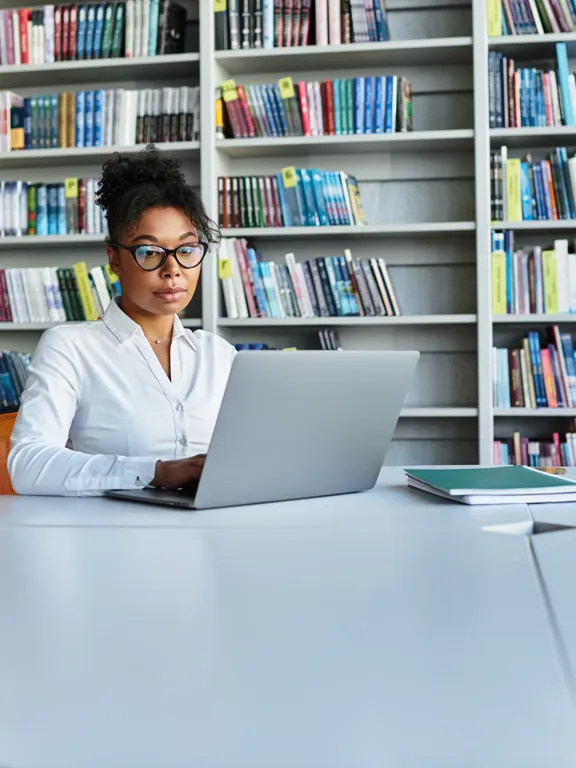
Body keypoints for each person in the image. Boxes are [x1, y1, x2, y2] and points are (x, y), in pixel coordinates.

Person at [8, 147, 236, 496]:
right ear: (114, 258)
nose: (172, 268)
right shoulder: (70, 347)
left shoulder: (218, 354)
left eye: (187, 250)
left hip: (216, 532)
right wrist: (155, 472)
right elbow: (28, 464)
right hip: (112, 538)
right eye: (149, 252)